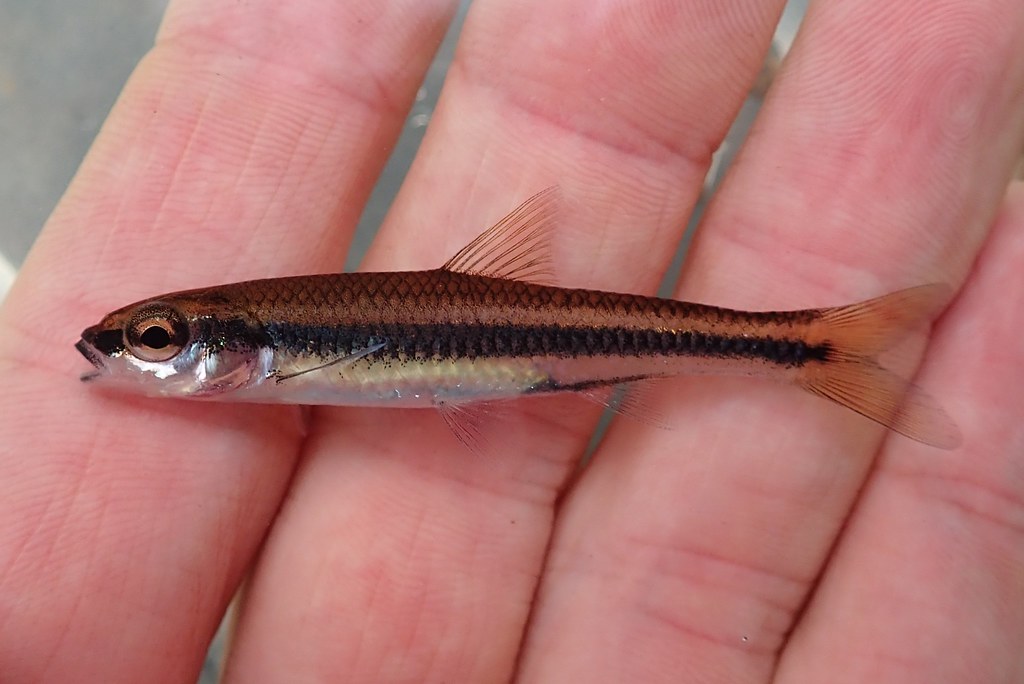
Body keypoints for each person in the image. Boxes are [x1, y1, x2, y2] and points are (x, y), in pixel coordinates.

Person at [2, 1, 1023, 682]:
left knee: (740, 343)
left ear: (242, 344)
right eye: (150, 339)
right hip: (511, 345)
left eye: (156, 338)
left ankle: (803, 348)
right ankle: (800, 349)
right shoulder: (273, 361)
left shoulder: (283, 351)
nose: (131, 351)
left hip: (518, 338)